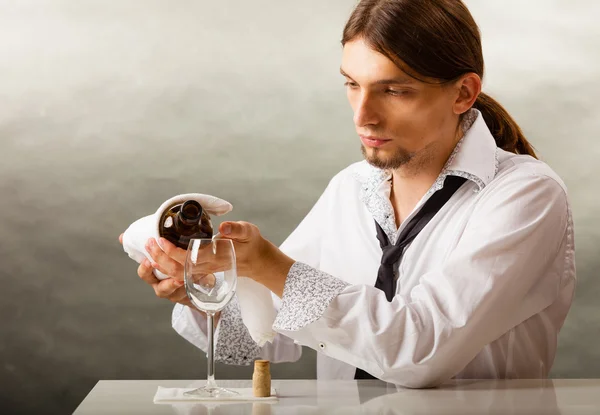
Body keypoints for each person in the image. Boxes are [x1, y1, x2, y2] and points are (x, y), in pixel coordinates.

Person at [120, 0, 575, 388]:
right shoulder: (351, 188)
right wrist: (200, 292)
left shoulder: (526, 196)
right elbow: (272, 331)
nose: (363, 117)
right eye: (352, 84)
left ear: (463, 93)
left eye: (394, 90)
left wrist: (270, 266)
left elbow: (419, 352)